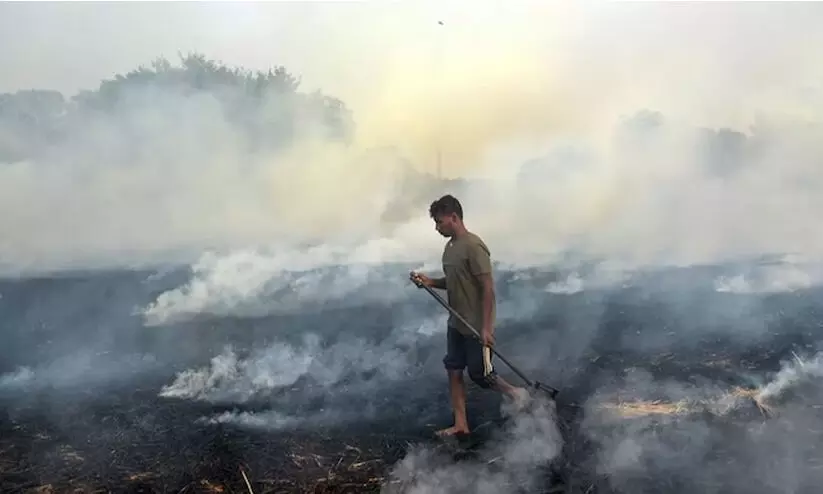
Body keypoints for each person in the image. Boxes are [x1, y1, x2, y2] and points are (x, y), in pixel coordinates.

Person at [410, 194, 530, 438]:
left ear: (454, 217)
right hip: (456, 322)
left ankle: (517, 393)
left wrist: (486, 328)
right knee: (453, 369)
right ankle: (460, 424)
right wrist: (430, 282)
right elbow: (454, 282)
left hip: (475, 325)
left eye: (439, 222)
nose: (437, 227)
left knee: (481, 375)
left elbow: (487, 289)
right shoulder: (450, 248)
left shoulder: (474, 247)